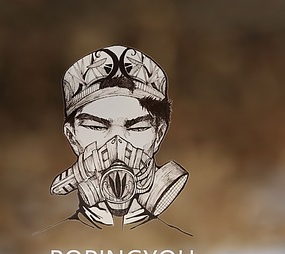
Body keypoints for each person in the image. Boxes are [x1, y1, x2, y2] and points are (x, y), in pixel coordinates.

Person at [50, 46, 188, 229]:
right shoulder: (44, 241)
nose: (117, 144)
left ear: (159, 134)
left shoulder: (196, 242)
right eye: (96, 126)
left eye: (138, 127)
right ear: (72, 136)